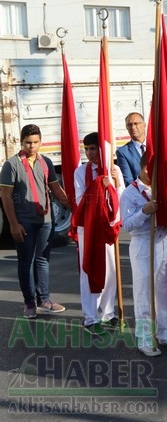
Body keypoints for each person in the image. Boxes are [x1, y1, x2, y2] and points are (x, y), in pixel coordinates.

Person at [120, 154, 167, 357]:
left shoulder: (163, 189)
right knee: (144, 293)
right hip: (143, 244)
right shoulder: (130, 193)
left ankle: (166, 333)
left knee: (163, 291)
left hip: (162, 240)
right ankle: (145, 338)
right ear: (146, 169)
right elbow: (127, 224)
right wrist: (145, 211)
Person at [0, 124, 69, 319]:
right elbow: (6, 196)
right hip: (24, 221)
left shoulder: (45, 162)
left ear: (41, 142)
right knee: (26, 262)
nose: (32, 146)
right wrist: (13, 223)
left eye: (36, 142)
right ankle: (29, 303)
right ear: (21, 143)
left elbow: (56, 190)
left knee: (43, 261)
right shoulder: (11, 164)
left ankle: (44, 300)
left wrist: (75, 207)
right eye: (28, 143)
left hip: (45, 220)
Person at [73, 132, 125, 335]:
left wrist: (114, 184)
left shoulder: (115, 170)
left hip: (107, 226)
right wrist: (98, 185)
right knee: (89, 271)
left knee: (110, 270)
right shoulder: (80, 172)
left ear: (102, 150)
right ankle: (90, 316)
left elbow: (122, 198)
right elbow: (79, 200)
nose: (89, 153)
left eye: (93, 148)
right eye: (86, 149)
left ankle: (108, 313)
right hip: (88, 227)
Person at [116, 112, 147, 187]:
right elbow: (128, 181)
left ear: (144, 125)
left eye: (136, 123)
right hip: (140, 195)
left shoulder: (156, 146)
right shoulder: (123, 152)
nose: (133, 127)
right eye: (129, 125)